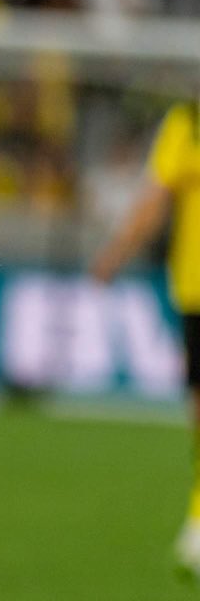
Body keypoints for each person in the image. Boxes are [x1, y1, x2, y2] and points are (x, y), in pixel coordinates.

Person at [92, 99, 200, 576]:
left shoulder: (188, 121)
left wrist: (115, 254)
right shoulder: (186, 122)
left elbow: (155, 198)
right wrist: (118, 251)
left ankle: (198, 526)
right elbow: (157, 198)